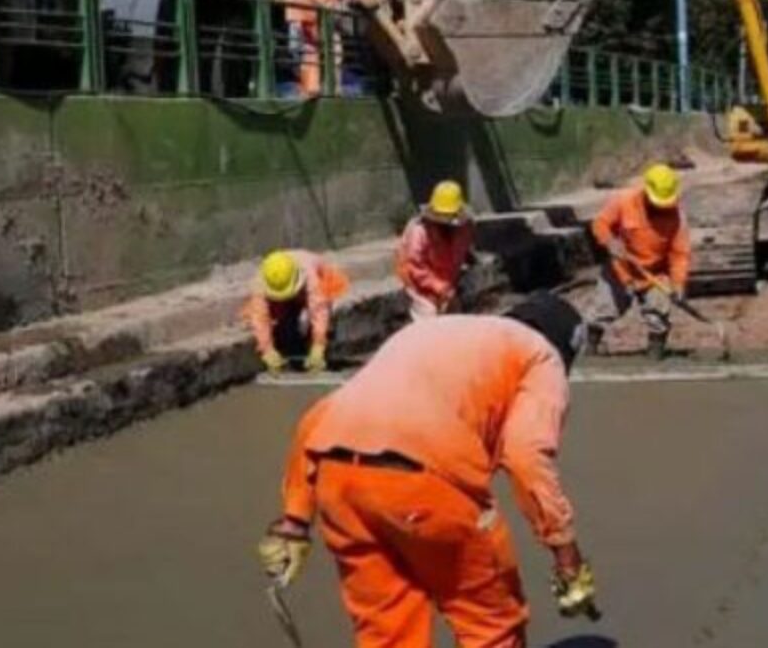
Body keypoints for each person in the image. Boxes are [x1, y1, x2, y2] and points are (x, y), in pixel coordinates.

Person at [256, 293, 598, 648]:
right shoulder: (541, 355)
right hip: (423, 480)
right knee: (490, 622)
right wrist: (566, 555)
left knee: (387, 630)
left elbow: (322, 415)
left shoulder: (429, 332)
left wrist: (295, 520)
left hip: (338, 480)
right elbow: (526, 455)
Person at [588, 163, 691, 359]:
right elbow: (600, 223)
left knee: (658, 312)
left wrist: (678, 284)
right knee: (603, 310)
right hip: (621, 268)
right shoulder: (623, 200)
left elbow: (680, 254)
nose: (660, 208)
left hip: (654, 274)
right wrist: (609, 241)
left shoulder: (677, 217)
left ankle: (655, 354)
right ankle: (588, 350)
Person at [242, 250, 349, 374]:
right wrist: (267, 350)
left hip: (324, 281)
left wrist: (318, 346)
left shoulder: (311, 276)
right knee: (280, 318)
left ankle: (320, 350)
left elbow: (319, 310)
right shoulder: (261, 282)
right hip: (296, 292)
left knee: (321, 320)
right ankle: (291, 344)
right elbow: (260, 317)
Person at [395, 180, 475, 321]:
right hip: (418, 282)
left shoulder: (465, 227)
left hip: (447, 279)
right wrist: (439, 287)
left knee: (455, 317)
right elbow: (414, 266)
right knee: (429, 316)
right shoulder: (419, 231)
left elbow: (462, 249)